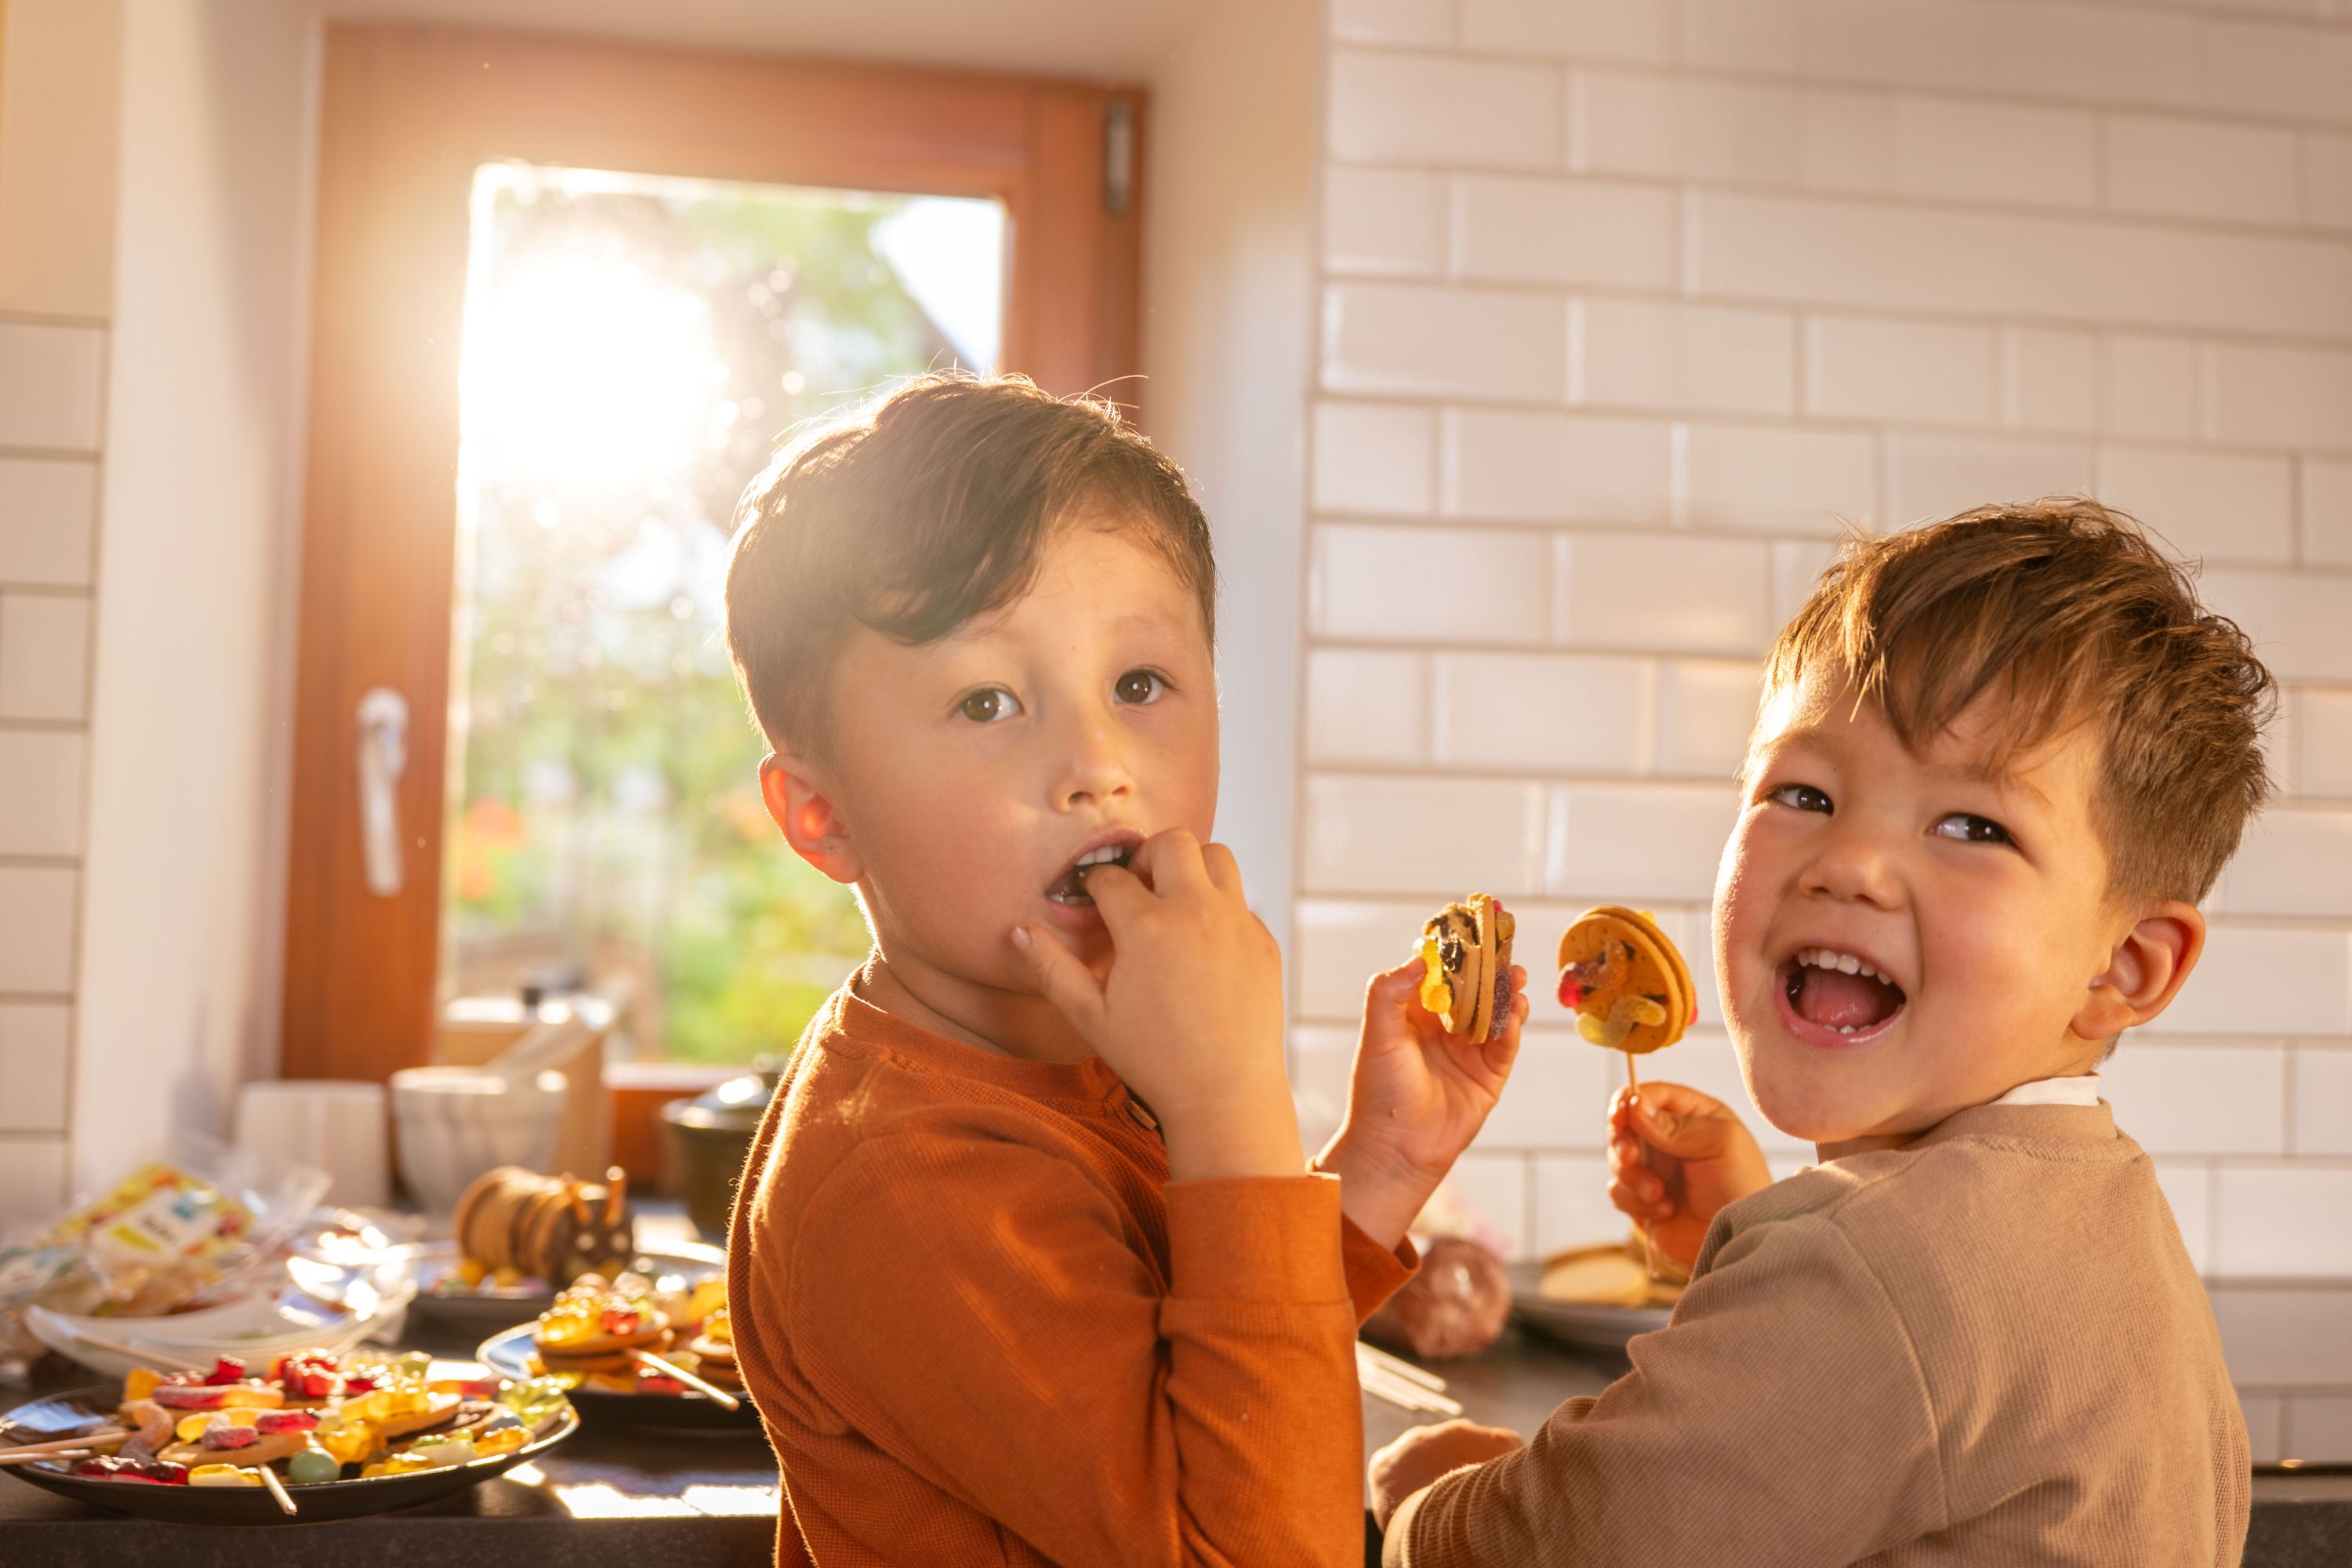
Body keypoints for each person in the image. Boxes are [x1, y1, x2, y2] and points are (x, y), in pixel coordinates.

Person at [720, 372, 1524, 1566]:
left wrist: (1374, 1173)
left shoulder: (1067, 1054)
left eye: (1139, 686)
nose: (1098, 764)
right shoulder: (905, 1179)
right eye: (987, 699)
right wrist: (1227, 1105)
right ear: (823, 814)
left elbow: (1208, 1382)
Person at [1371, 500, 2263, 1567]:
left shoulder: (1873, 1269)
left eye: (1973, 826)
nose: (1848, 863)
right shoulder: (2104, 1212)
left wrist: (1431, 1506)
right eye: (1804, 792)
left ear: (2124, 966)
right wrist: (1753, 1239)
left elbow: (1584, 1542)